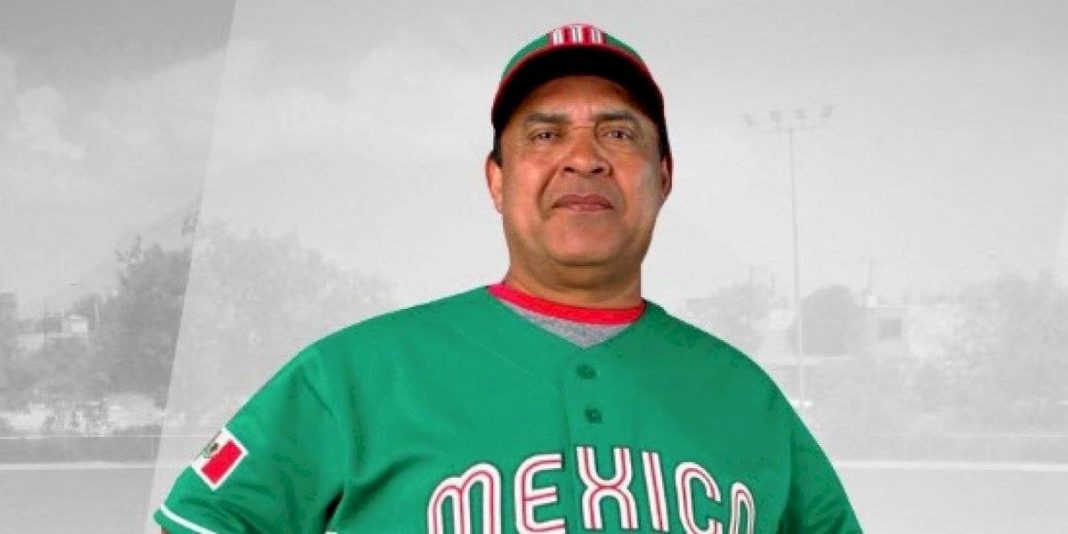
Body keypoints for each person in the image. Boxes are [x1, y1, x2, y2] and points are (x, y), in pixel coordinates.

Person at [155, 22, 862, 533]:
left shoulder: (747, 399)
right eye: (545, 134)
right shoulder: (351, 377)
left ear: (664, 177)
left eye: (619, 133)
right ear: (497, 180)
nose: (583, 157)